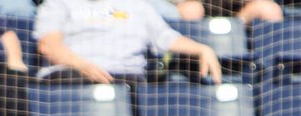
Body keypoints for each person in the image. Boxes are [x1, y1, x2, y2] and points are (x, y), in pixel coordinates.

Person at [34, 0, 222, 85]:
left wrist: (201, 48)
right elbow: (49, 45)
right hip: (70, 77)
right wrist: (81, 65)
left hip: (126, 78)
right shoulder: (58, 3)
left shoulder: (137, 4)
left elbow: (166, 37)